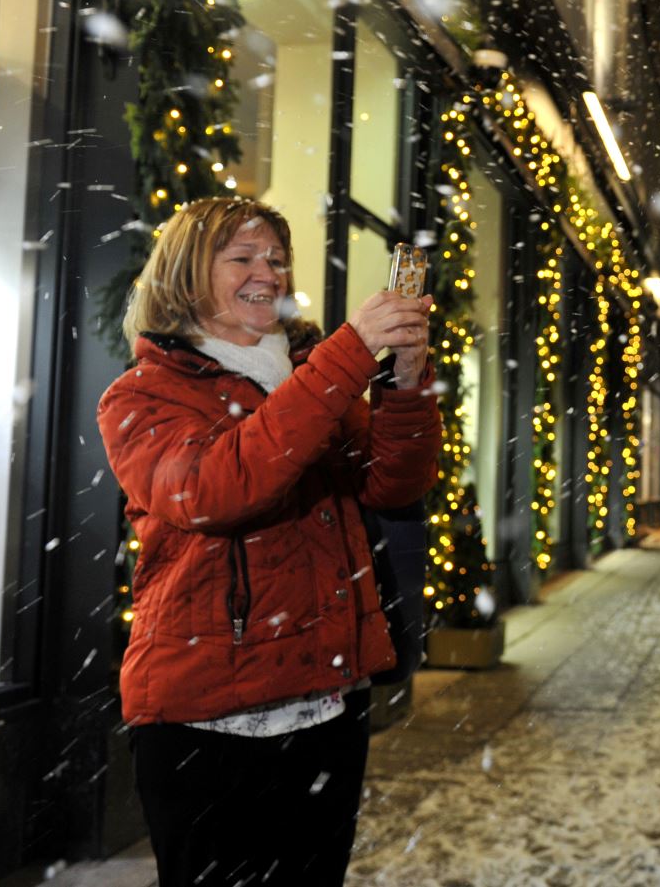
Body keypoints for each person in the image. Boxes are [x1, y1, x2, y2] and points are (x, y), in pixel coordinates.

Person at [97, 197, 442, 886]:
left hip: (324, 705)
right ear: (190, 274)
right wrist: (347, 354)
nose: (269, 273)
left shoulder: (309, 372)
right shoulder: (141, 395)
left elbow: (389, 486)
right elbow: (218, 487)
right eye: (244, 258)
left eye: (278, 260)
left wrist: (405, 382)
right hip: (202, 722)